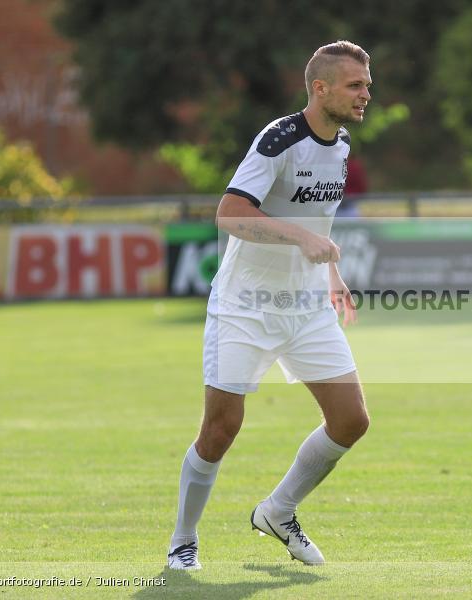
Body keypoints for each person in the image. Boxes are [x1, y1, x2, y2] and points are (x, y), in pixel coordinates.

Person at [167, 41, 372, 570]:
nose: (365, 94)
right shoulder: (279, 138)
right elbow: (230, 213)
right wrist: (298, 240)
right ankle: (183, 541)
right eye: (355, 85)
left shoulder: (342, 144)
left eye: (367, 85)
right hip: (245, 307)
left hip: (306, 307)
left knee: (351, 420)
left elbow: (317, 222)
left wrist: (331, 272)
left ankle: (279, 511)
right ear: (320, 88)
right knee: (221, 429)